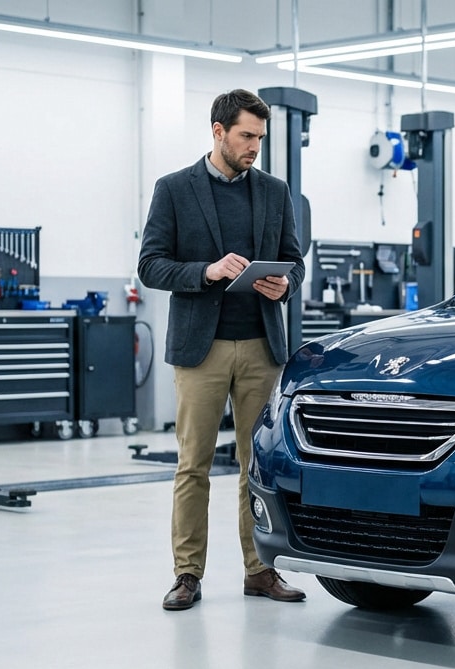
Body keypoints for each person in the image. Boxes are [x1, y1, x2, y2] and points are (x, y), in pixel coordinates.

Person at [139, 89, 308, 611]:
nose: (255, 145)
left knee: (255, 466)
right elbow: (151, 265)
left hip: (261, 346)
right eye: (246, 136)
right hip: (201, 349)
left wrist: (287, 283)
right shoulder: (174, 190)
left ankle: (260, 570)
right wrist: (206, 272)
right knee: (193, 466)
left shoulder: (275, 193)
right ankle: (186, 574)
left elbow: (292, 260)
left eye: (260, 137)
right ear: (218, 131)